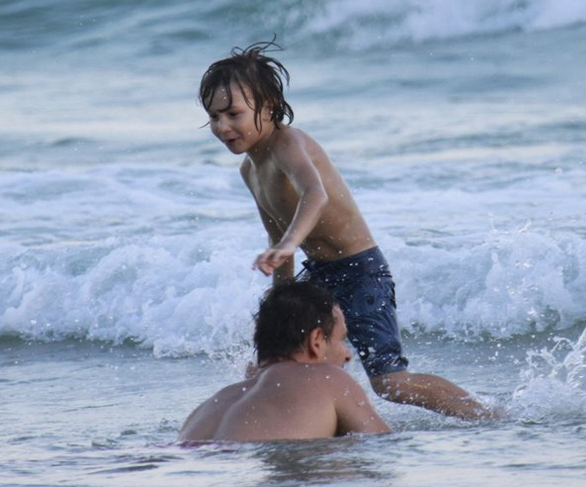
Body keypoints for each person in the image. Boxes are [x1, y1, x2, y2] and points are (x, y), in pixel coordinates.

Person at [199, 41, 495, 420]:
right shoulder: (250, 170)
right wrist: (279, 302)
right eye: (214, 117)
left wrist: (291, 243)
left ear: (269, 106)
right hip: (320, 276)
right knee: (270, 367)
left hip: (361, 272)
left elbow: (315, 194)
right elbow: (277, 243)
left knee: (390, 383)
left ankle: (485, 414)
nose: (223, 127)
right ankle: (308, 429)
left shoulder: (288, 143)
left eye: (233, 114)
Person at [178, 282, 392, 442]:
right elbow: (384, 450)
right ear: (316, 340)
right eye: (341, 340)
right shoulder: (328, 379)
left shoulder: (207, 408)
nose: (348, 355)